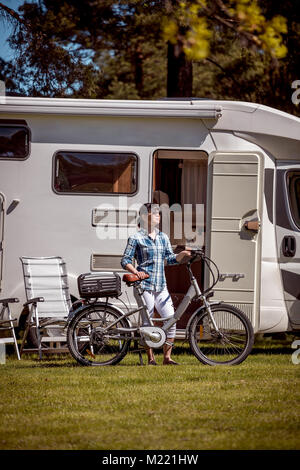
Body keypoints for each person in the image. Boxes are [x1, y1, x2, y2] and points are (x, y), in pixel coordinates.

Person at [121, 203, 191, 365]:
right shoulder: (136, 238)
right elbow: (125, 260)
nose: (159, 215)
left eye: (159, 213)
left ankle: (167, 358)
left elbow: (170, 259)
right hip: (144, 286)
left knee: (171, 320)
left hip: (161, 286)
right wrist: (135, 271)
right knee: (148, 323)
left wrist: (181, 255)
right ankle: (151, 359)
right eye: (156, 213)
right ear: (146, 216)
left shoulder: (163, 237)